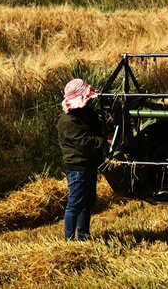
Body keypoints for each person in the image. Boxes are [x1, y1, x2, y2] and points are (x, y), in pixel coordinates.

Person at [56, 78, 107, 240]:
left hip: (89, 164)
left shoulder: (85, 114)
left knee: (87, 203)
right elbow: (84, 143)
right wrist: (105, 142)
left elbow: (97, 128)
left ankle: (83, 236)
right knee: (75, 204)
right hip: (77, 167)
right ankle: (69, 240)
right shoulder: (68, 121)